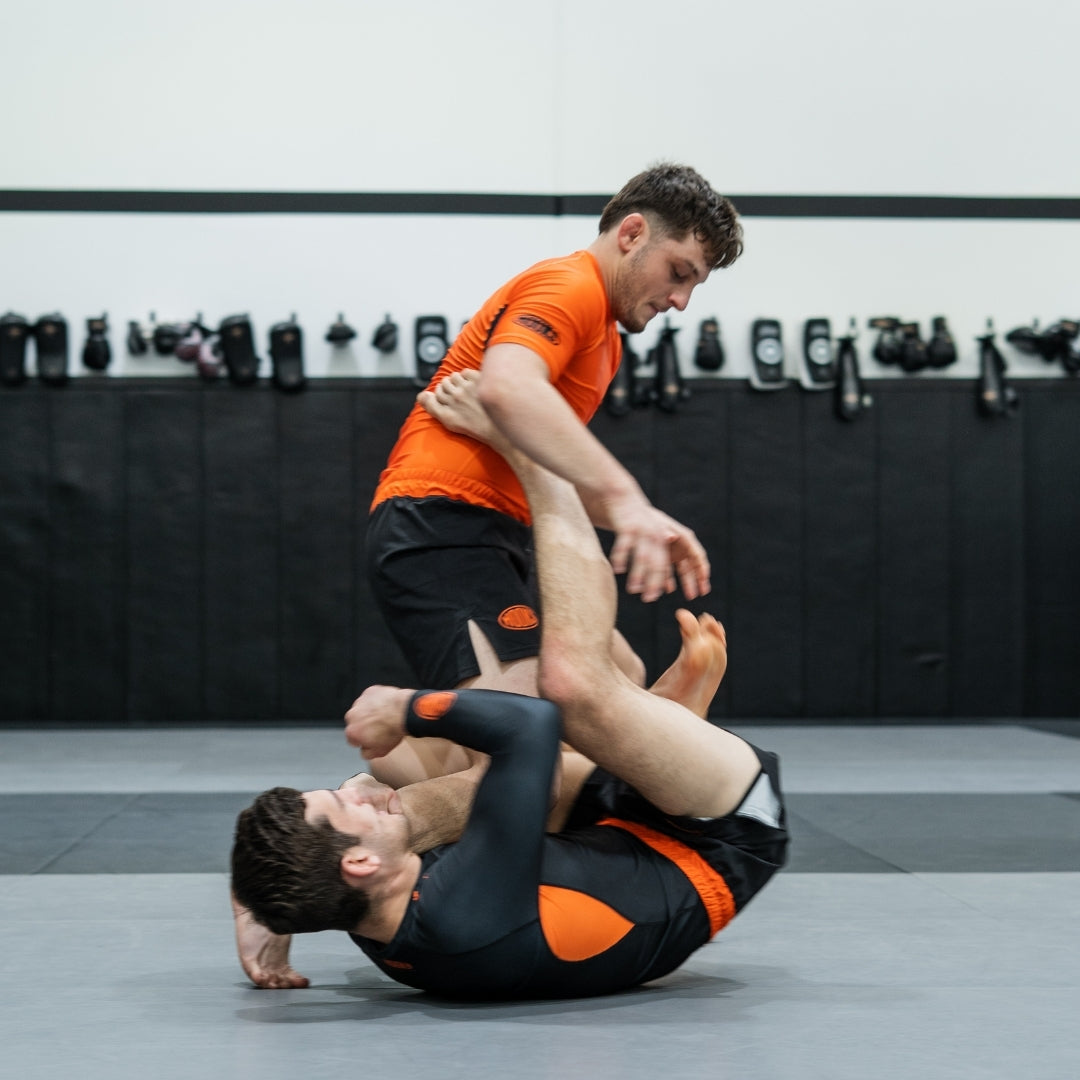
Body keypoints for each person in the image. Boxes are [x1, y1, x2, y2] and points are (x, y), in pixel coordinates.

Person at [232, 375, 786, 999]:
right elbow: (530, 727)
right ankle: (539, 470)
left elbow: (327, 867)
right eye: (343, 807)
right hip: (718, 833)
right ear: (359, 864)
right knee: (571, 688)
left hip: (608, 825)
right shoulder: (464, 911)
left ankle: (656, 715)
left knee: (391, 764)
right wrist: (407, 706)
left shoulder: (364, 907)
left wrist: (272, 895)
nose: (352, 794)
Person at [365, 164, 744, 765]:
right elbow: (507, 386)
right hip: (440, 524)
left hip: (496, 534)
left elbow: (548, 461)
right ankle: (381, 779)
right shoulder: (569, 285)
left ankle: (389, 773)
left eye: (694, 286)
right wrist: (625, 499)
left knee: (619, 673)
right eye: (679, 273)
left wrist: (644, 518)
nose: (680, 301)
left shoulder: (605, 338)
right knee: (523, 749)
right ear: (632, 233)